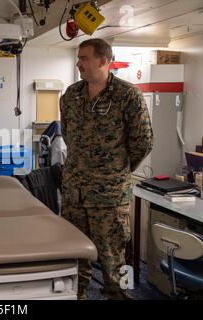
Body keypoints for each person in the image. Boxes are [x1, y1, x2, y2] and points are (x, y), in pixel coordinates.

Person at [59, 39, 153, 300]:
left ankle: (122, 295)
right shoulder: (70, 96)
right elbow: (68, 135)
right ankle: (74, 295)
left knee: (116, 257)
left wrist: (115, 171)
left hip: (110, 197)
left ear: (103, 60)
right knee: (74, 253)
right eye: (78, 58)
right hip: (74, 193)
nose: (79, 63)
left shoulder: (127, 95)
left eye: (84, 58)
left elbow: (143, 142)